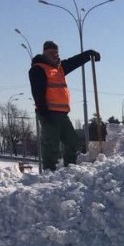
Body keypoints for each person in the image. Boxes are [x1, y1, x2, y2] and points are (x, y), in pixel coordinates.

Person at [29, 41, 100, 172]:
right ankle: (49, 172)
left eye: (56, 52)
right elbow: (37, 93)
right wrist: (44, 114)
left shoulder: (59, 68)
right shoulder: (38, 69)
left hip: (62, 113)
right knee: (51, 145)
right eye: (51, 53)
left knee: (72, 141)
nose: (55, 55)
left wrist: (89, 54)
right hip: (48, 113)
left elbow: (74, 61)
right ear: (44, 53)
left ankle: (69, 169)